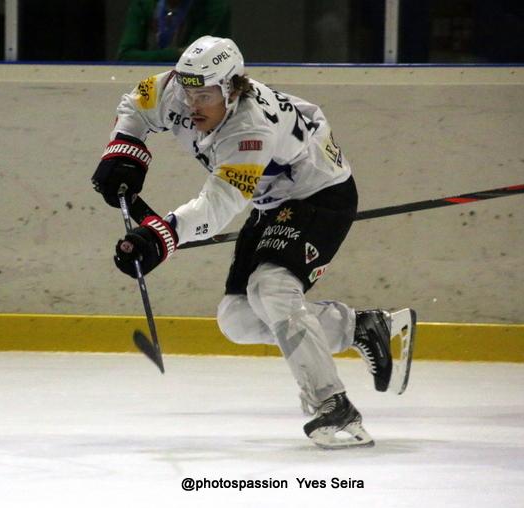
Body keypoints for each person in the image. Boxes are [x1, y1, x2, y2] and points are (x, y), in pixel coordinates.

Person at [91, 36, 416, 449]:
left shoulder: (250, 129)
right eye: (188, 91)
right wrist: (125, 151)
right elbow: (135, 104)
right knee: (238, 318)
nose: (192, 105)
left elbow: (218, 205)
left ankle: (334, 405)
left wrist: (161, 234)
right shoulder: (176, 88)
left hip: (319, 194)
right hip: (271, 200)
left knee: (272, 287)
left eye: (204, 96)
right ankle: (363, 327)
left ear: (232, 88)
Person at [116, 0, 230, 62]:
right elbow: (125, 56)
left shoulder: (213, 6)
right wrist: (176, 54)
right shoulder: (143, 4)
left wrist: (182, 55)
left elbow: (197, 57)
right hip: (150, 78)